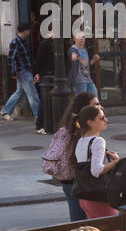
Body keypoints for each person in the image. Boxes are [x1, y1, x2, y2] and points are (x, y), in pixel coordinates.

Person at [70, 103, 123, 231]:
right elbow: (96, 170)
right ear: (90, 122)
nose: (106, 120)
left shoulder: (81, 140)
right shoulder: (98, 141)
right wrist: (115, 162)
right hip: (99, 197)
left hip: (85, 197)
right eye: (101, 118)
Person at [42, 92, 98, 223]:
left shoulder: (69, 126)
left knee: (79, 223)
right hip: (78, 183)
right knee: (82, 226)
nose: (100, 107)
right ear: (85, 109)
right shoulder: (81, 130)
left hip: (68, 181)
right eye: (96, 105)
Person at [0, 22, 40, 125]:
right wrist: (12, 72)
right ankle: (39, 115)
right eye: (28, 30)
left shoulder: (22, 42)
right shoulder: (15, 43)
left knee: (19, 92)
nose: (30, 32)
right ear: (25, 31)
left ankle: (5, 111)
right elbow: (11, 59)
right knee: (32, 94)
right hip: (23, 72)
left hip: (25, 71)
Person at [68, 30, 99, 96]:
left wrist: (94, 59)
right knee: (81, 101)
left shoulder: (84, 49)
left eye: (83, 37)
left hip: (88, 79)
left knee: (94, 95)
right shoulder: (73, 49)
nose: (81, 39)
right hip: (79, 81)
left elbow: (87, 65)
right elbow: (72, 54)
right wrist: (74, 56)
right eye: (79, 37)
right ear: (74, 39)